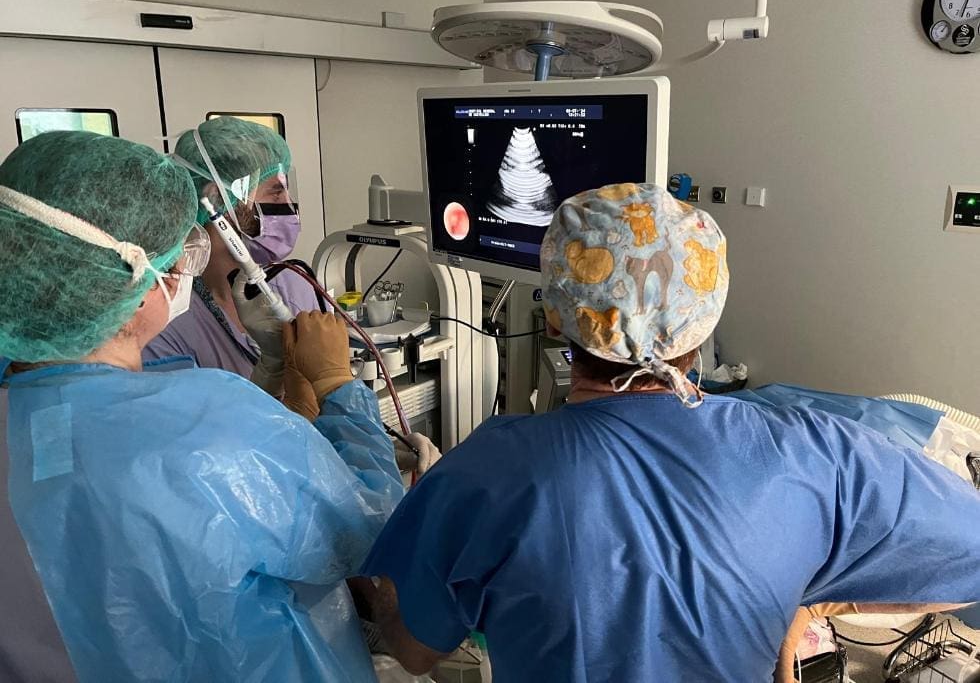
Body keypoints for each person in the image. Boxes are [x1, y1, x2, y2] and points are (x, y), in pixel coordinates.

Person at [360, 183, 980, 681]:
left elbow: (412, 653)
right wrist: (805, 593)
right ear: (703, 320)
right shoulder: (814, 451)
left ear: (554, 317)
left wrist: (385, 563)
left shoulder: (485, 473)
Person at [0, 131, 403, 682]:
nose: (180, 273)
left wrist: (270, 377)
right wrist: (337, 386)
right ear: (135, 287)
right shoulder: (211, 420)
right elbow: (369, 526)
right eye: (174, 258)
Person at [144, 116, 319, 380]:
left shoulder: (294, 285)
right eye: (275, 193)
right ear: (216, 198)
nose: (289, 205)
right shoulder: (166, 317)